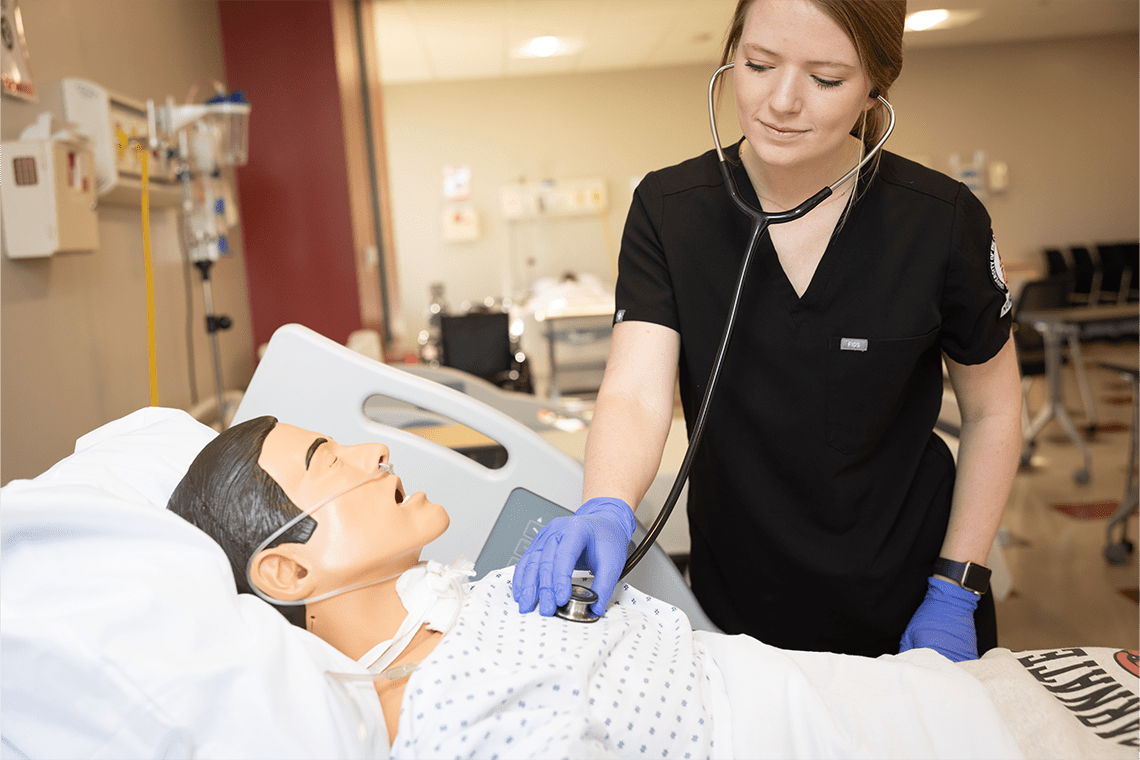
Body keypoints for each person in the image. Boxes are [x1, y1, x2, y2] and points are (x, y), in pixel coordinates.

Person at [512, 0, 1023, 661]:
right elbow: (636, 392)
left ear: (876, 86)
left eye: (827, 78)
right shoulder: (671, 213)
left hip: (912, 600)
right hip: (741, 609)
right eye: (758, 65)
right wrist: (607, 504)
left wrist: (956, 587)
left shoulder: (939, 221)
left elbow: (995, 409)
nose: (782, 101)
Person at [166, 415, 1035, 759]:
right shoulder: (438, 714)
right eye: (331, 460)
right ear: (288, 569)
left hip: (830, 686)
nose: (377, 451)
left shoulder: (457, 597)